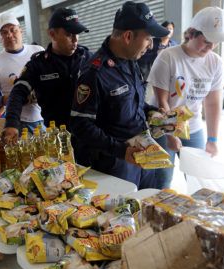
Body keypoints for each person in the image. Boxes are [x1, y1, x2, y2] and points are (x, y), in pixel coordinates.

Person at [69, 1, 169, 189]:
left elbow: (133, 104)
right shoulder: (95, 72)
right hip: (115, 163)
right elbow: (80, 124)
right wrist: (121, 151)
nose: (150, 46)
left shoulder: (130, 60)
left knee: (145, 208)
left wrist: (155, 114)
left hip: (141, 152)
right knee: (123, 213)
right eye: (148, 39)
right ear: (128, 36)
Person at [148, 6, 224, 189]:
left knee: (199, 180)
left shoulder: (215, 62)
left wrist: (212, 139)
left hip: (192, 127)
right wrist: (169, 132)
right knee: (162, 180)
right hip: (162, 125)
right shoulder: (168, 57)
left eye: (215, 42)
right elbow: (162, 101)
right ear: (192, 33)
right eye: (207, 41)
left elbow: (213, 103)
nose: (211, 47)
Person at [3, 7, 92, 144]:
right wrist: (11, 123)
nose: (75, 39)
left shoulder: (87, 57)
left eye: (77, 33)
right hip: (58, 139)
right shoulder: (39, 64)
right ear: (52, 34)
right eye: (69, 34)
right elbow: (18, 92)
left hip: (90, 135)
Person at [0, 13, 44, 133]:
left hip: (47, 118)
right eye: (4, 32)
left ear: (21, 31)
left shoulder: (38, 51)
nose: (9, 35)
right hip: (19, 123)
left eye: (13, 30)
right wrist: (5, 100)